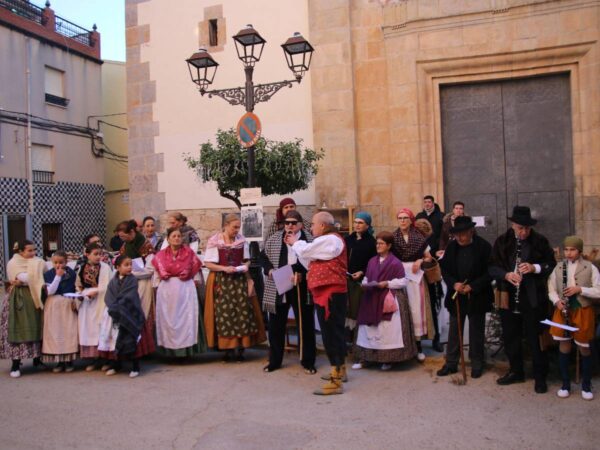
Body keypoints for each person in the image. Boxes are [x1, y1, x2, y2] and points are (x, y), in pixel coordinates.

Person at [489, 206, 556, 394]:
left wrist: (535, 268)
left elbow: (552, 264)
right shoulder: (502, 241)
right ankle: (516, 371)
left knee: (536, 337)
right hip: (508, 296)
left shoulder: (540, 241)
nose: (523, 232)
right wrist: (506, 275)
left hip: (533, 297)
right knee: (511, 336)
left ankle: (540, 376)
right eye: (520, 228)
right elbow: (492, 267)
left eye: (526, 228)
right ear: (512, 225)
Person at [286, 211, 348, 395]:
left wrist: (295, 243)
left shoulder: (331, 240)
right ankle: (340, 369)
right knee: (332, 332)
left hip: (331, 295)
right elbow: (309, 260)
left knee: (331, 334)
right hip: (325, 294)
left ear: (322, 225)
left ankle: (336, 379)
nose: (311, 227)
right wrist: (297, 246)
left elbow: (305, 250)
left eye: (313, 224)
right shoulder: (325, 243)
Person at [204, 214, 266, 361]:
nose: (236, 230)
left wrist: (245, 266)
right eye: (234, 227)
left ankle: (241, 348)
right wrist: (224, 269)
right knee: (224, 312)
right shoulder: (215, 241)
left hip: (239, 280)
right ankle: (227, 349)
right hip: (222, 280)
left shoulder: (241, 240)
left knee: (242, 312)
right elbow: (208, 263)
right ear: (226, 225)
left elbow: (247, 260)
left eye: (238, 227)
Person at [437, 216, 493, 379]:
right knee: (454, 330)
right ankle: (451, 363)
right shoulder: (452, 247)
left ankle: (477, 363)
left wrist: (473, 286)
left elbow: (490, 271)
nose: (460, 238)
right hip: (457, 295)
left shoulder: (483, 247)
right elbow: (445, 270)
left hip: (478, 295)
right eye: (457, 234)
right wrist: (454, 284)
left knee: (476, 330)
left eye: (463, 234)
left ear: (471, 231)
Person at [261, 210, 316, 374]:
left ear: (300, 224)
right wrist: (269, 270)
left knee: (305, 324)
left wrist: (303, 274)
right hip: (279, 282)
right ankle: (274, 361)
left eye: (293, 222)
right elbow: (263, 257)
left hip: (302, 284)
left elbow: (315, 261)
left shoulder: (310, 239)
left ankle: (307, 361)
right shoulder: (275, 238)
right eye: (287, 223)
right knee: (275, 324)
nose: (289, 225)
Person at [353, 231, 417, 370]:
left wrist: (387, 283)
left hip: (388, 298)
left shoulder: (395, 262)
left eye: (381, 243)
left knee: (387, 330)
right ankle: (366, 358)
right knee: (368, 329)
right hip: (371, 298)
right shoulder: (371, 261)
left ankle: (388, 359)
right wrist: (364, 283)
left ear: (389, 246)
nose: (378, 246)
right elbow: (367, 277)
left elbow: (404, 281)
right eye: (377, 243)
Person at [547, 236, 600, 400]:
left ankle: (586, 385)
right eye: (567, 250)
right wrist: (557, 302)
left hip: (583, 310)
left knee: (584, 347)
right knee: (564, 345)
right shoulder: (559, 267)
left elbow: (598, 291)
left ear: (580, 251)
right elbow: (551, 288)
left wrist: (580, 289)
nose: (569, 253)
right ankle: (565, 384)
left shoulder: (590, 268)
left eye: (573, 250)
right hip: (563, 311)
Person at [152, 228, 207, 358]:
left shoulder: (189, 253)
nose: (176, 238)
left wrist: (195, 283)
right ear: (168, 239)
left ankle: (187, 352)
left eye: (178, 236)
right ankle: (170, 353)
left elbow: (196, 274)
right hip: (166, 290)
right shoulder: (160, 256)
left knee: (186, 319)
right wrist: (156, 287)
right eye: (173, 236)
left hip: (185, 289)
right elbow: (156, 275)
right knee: (168, 320)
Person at [392, 208, 435, 361]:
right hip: (398, 276)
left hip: (416, 278)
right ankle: (401, 349)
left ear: (411, 220)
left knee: (416, 311)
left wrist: (420, 260)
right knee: (401, 311)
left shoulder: (419, 238)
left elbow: (429, 257)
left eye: (405, 218)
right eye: (400, 218)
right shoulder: (393, 237)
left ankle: (418, 347)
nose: (402, 221)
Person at [0, 240, 46, 378]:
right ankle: (15, 364)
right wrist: (35, 277)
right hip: (19, 299)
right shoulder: (14, 263)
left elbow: (44, 273)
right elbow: (25, 278)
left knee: (38, 325)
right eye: (29, 251)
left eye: (34, 250)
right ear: (20, 251)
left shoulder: (38, 261)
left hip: (35, 297)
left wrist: (35, 277)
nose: (33, 253)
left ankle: (37, 360)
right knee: (19, 328)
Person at [103, 255, 146, 378]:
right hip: (115, 313)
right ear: (117, 267)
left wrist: (119, 306)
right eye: (126, 265)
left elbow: (130, 296)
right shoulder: (113, 281)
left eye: (130, 265)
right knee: (114, 340)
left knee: (131, 338)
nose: (129, 268)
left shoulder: (132, 280)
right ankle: (116, 364)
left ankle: (135, 366)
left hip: (129, 312)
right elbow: (109, 296)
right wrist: (114, 307)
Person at [75, 242, 111, 372]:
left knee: (101, 328)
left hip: (100, 302)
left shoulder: (105, 268)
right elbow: (78, 284)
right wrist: (81, 293)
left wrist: (96, 291)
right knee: (89, 329)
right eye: (95, 254)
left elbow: (107, 285)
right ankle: (93, 359)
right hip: (87, 303)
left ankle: (105, 359)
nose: (98, 257)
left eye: (100, 254)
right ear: (87, 254)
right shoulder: (82, 267)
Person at [42, 251, 79, 373]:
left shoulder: (72, 273)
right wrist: (57, 276)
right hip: (53, 304)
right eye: (55, 262)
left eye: (61, 262)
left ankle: (69, 360)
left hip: (67, 303)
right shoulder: (49, 274)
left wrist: (75, 300)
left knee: (68, 331)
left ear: (66, 262)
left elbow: (75, 288)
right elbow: (50, 291)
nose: (58, 265)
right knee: (56, 331)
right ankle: (59, 361)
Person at [345, 212, 377, 331]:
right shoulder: (348, 239)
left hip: (360, 282)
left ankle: (356, 339)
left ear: (367, 225)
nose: (357, 225)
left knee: (356, 309)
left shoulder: (372, 243)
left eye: (360, 222)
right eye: (355, 222)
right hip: (345, 279)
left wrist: (362, 272)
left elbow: (373, 263)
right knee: (345, 309)